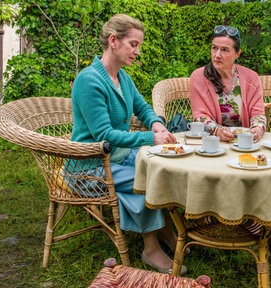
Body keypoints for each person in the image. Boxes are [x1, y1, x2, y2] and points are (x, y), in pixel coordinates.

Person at [70, 14, 186, 275]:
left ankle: (165, 228)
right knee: (146, 179)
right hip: (89, 166)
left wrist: (156, 124)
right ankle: (151, 248)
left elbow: (143, 108)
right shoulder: (89, 81)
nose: (138, 51)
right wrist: (149, 138)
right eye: (133, 44)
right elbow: (105, 135)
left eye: (138, 45)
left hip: (118, 157)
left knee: (165, 166)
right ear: (113, 40)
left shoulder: (122, 79)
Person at [189, 25, 266, 142]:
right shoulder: (198, 77)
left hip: (243, 143)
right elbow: (200, 117)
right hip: (211, 142)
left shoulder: (251, 78)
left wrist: (257, 128)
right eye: (214, 48)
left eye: (224, 50)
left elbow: (258, 114)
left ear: (237, 54)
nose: (217, 55)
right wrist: (216, 130)